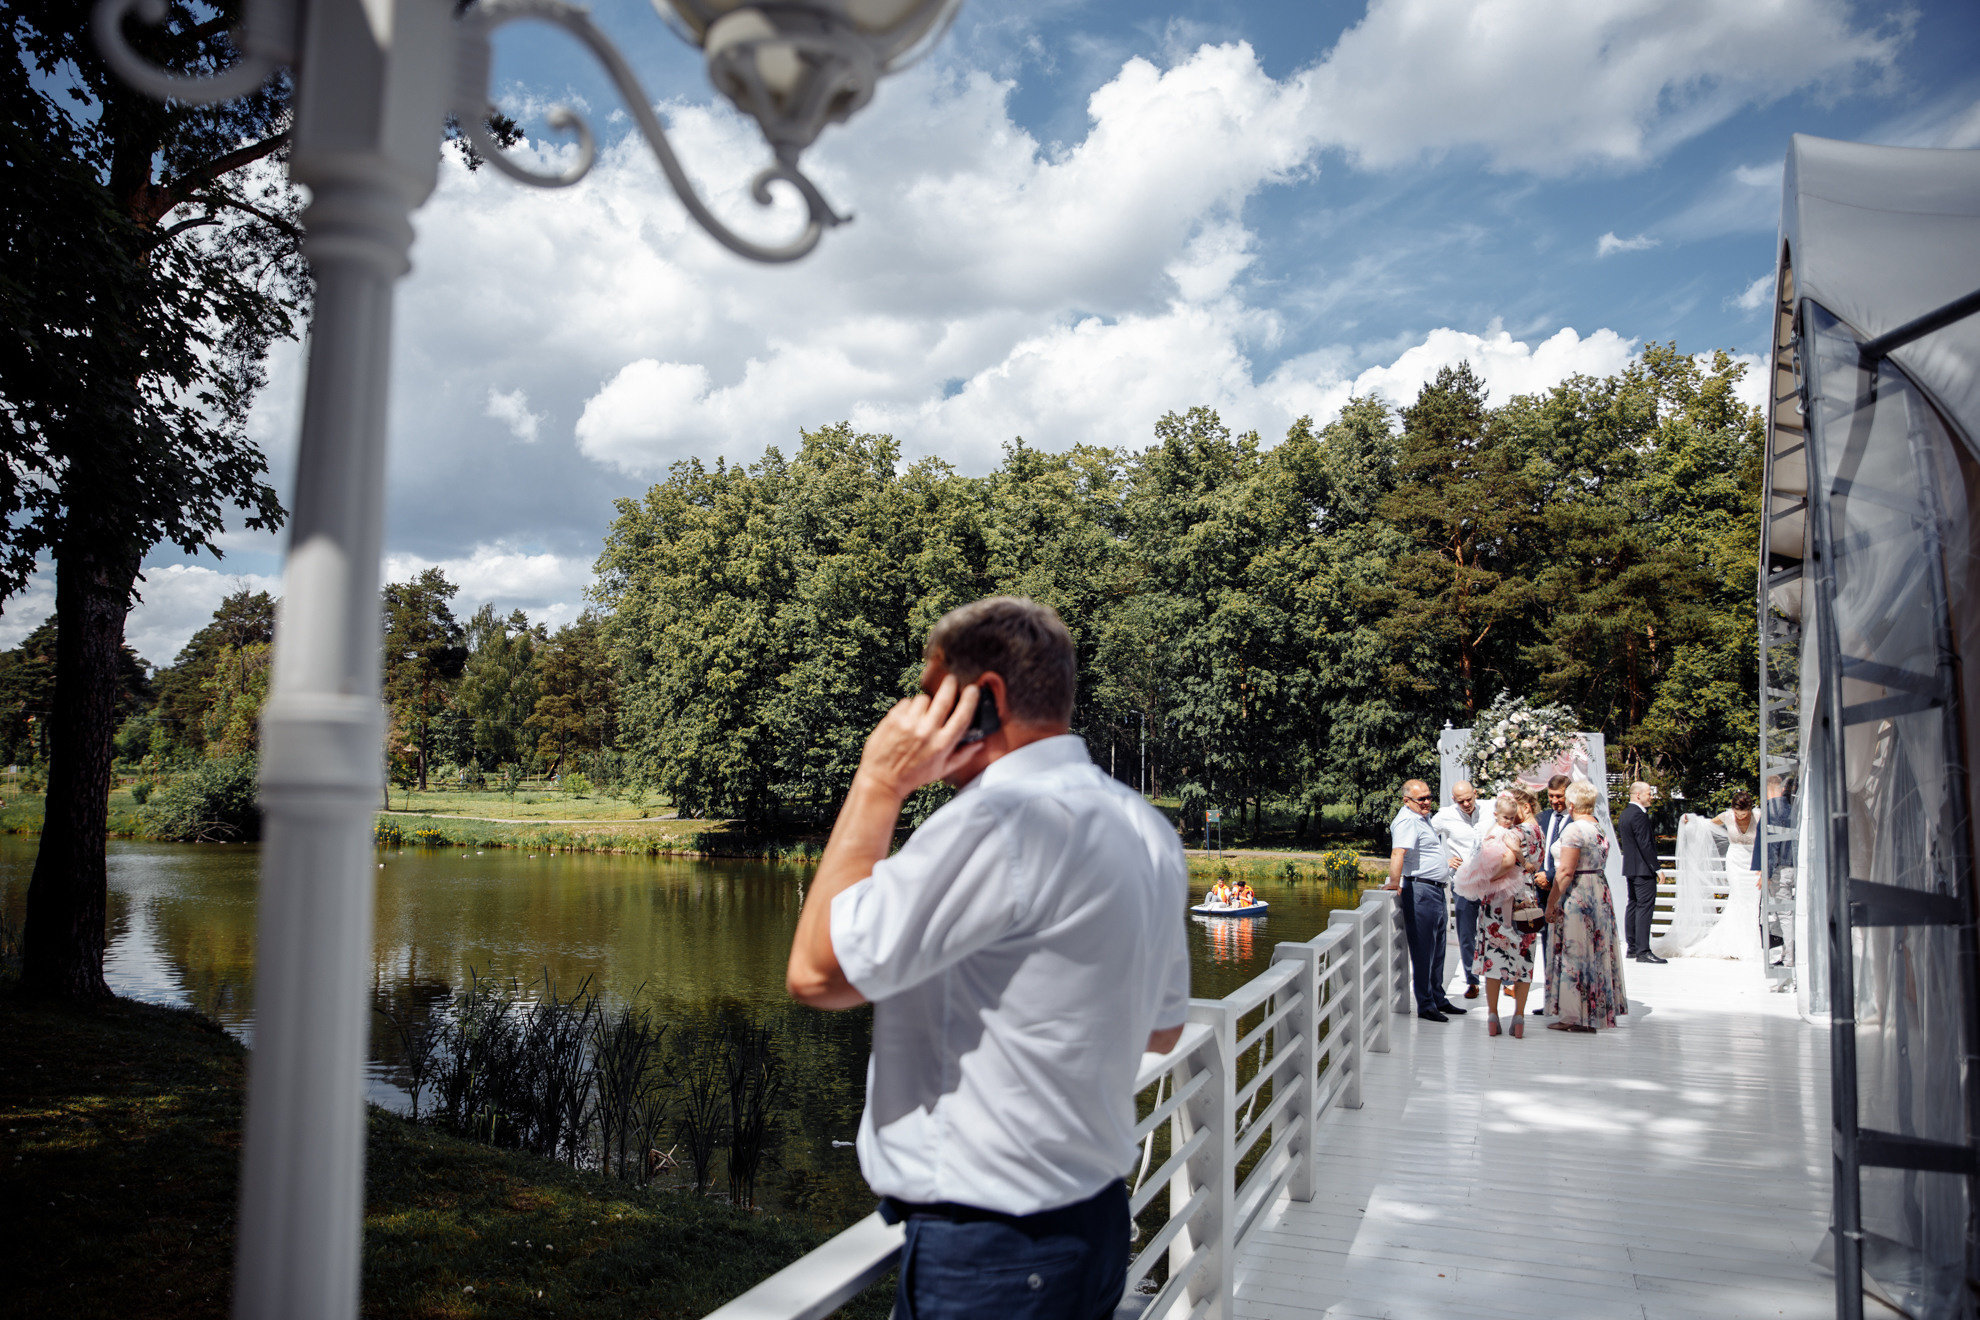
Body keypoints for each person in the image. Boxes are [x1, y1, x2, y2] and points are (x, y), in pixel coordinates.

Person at [785, 596, 1189, 1319]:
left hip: (994, 1252)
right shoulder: (1145, 827)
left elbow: (815, 974)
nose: (916, 713)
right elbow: (1160, 1030)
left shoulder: (999, 820)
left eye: (929, 692)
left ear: (987, 698)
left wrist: (879, 783)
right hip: (1090, 1226)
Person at [1451, 792, 1541, 1038]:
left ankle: (1492, 1015)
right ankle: (1519, 1018)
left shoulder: (1512, 833)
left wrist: (1486, 879)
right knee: (1525, 960)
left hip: (1498, 904)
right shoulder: (1537, 833)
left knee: (1494, 959)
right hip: (1527, 902)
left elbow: (1509, 860)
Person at [1544, 780, 1628, 1032]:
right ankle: (1592, 1010)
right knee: (1595, 950)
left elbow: (1566, 871)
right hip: (1598, 889)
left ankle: (1577, 1016)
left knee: (1575, 952)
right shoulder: (1598, 827)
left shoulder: (1574, 830)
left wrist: (1551, 903)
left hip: (1579, 892)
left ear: (1571, 803)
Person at [1384, 779, 1468, 1022]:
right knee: (1424, 950)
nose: (1427, 802)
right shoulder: (1407, 821)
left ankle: (1437, 998)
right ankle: (1425, 1004)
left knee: (1438, 947)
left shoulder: (1422, 818)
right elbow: (1398, 852)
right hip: (1420, 890)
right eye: (1422, 799)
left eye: (1429, 797)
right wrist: (1393, 881)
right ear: (1406, 801)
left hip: (1435, 890)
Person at [1681, 792, 1764, 962]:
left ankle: (1751, 943)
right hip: (1735, 862)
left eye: (1744, 813)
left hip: (1753, 861)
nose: (1740, 817)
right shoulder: (1726, 816)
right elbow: (1705, 825)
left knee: (1754, 901)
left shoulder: (1759, 815)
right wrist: (1692, 820)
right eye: (1737, 813)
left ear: (1750, 810)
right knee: (1737, 898)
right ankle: (1735, 943)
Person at [1431, 780, 1485, 1000]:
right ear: (1454, 799)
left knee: (1497, 929)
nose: (1466, 804)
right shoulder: (1445, 815)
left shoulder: (1489, 809)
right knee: (1466, 932)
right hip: (1463, 880)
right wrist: (1444, 859)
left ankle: (1506, 980)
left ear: (1475, 794)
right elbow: (1424, 837)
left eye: (1469, 799)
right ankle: (1472, 980)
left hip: (1491, 879)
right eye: (1461, 801)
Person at [1616, 781, 1665, 964]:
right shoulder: (1638, 815)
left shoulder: (1626, 813)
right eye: (1649, 794)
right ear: (1638, 795)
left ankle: (1633, 947)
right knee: (1644, 907)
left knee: (1634, 905)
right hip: (1643, 869)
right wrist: (1657, 868)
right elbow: (1645, 844)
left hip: (1631, 867)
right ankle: (1643, 950)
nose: (1651, 797)